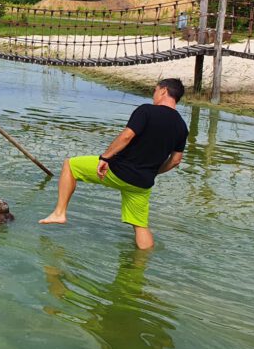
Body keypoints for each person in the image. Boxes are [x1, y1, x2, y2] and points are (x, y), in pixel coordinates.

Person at [39, 78, 189, 250]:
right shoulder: (182, 127)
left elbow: (127, 136)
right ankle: (142, 261)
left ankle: (59, 213)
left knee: (71, 165)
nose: (153, 95)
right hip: (142, 183)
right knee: (140, 225)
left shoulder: (146, 110)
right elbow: (176, 160)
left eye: (155, 91)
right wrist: (153, 172)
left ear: (163, 91)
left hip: (119, 170)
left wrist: (106, 157)